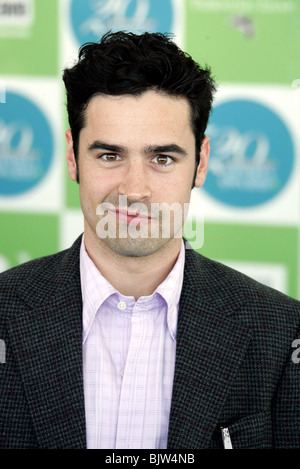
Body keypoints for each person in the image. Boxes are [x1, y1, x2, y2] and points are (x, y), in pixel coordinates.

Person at [0, 31, 299, 450]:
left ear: (201, 162)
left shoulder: (283, 331)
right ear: (72, 156)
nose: (134, 189)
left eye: (162, 158)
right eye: (110, 155)